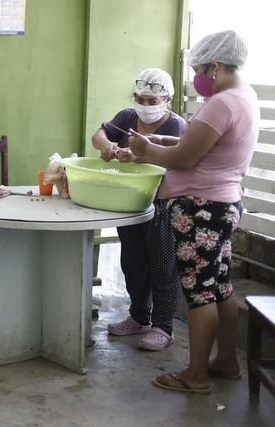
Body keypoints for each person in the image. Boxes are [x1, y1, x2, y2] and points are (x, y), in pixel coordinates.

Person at [127, 31, 259, 393]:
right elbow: (195, 144)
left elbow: (185, 157)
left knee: (199, 293)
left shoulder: (221, 103)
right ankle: (227, 360)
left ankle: (196, 374)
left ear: (215, 66)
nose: (197, 77)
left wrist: (145, 151)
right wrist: (156, 141)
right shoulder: (245, 97)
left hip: (201, 209)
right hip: (225, 203)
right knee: (220, 288)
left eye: (199, 69)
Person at [91, 68, 187, 351]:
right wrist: (108, 146)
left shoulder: (176, 126)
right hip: (130, 201)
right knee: (132, 262)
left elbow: (174, 161)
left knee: (162, 265)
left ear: (167, 99)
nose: (145, 106)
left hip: (163, 203)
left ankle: (163, 326)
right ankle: (138, 316)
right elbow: (98, 135)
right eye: (140, 99)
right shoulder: (126, 117)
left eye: (151, 101)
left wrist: (139, 155)